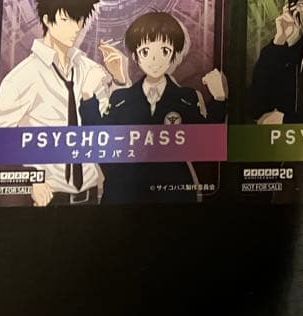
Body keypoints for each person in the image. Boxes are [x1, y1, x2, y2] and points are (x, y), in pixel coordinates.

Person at [0, 0, 127, 206]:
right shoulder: (23, 77)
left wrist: (120, 80)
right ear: (47, 19)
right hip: (48, 201)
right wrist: (30, 178)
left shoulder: (89, 69)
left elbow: (115, 123)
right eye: (66, 19)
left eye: (80, 19)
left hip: (92, 196)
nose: (76, 27)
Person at [80, 11, 227, 204]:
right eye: (145, 52)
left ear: (175, 53)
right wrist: (88, 98)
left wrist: (219, 99)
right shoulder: (121, 98)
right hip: (124, 196)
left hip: (173, 197)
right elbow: (99, 139)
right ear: (135, 55)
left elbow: (206, 142)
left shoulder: (186, 98)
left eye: (164, 50)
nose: (155, 60)